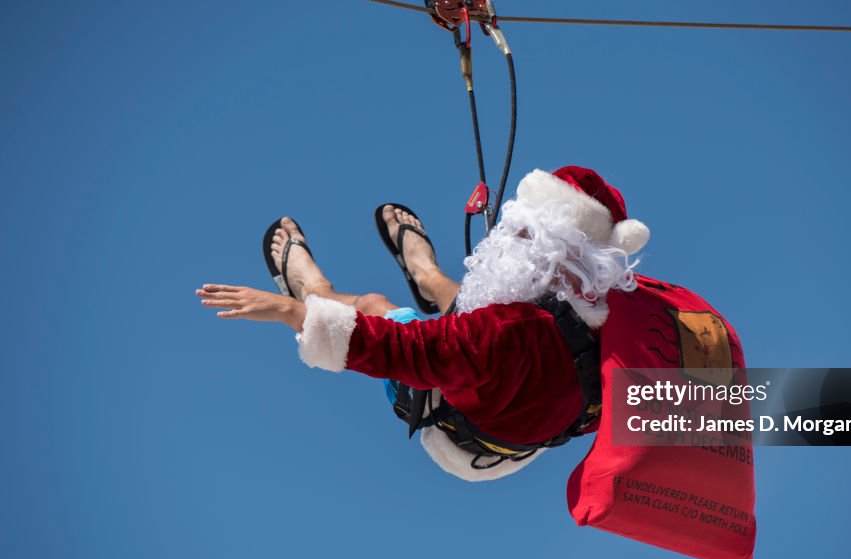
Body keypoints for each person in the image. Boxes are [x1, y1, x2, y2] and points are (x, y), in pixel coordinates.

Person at [196, 166, 652, 480]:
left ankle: (315, 288)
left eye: (517, 230)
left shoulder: (499, 333)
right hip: (520, 426)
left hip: (458, 427)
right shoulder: (618, 321)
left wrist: (288, 310)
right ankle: (428, 276)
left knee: (377, 305)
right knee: (468, 305)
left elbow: (393, 347)